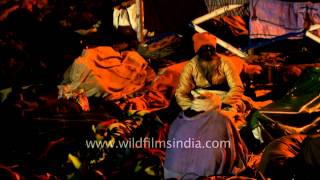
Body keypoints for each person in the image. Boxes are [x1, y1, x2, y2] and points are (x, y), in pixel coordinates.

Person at [164, 32, 248, 179]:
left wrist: (224, 103)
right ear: (197, 51)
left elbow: (237, 87)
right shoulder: (191, 66)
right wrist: (192, 106)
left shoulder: (226, 63)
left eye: (211, 49)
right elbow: (181, 92)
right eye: (204, 49)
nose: (208, 53)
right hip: (198, 101)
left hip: (223, 101)